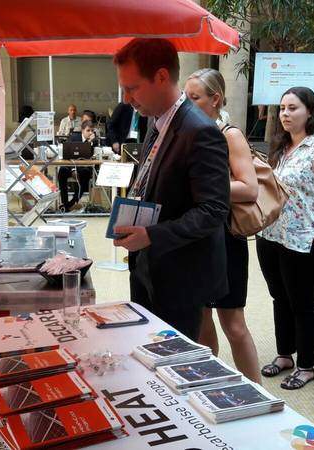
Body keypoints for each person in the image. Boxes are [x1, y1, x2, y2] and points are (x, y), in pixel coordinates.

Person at [111, 38, 230, 341]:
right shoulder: (157, 121)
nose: (126, 99)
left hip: (180, 276)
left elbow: (213, 210)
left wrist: (151, 235)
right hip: (148, 265)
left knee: (172, 357)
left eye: (133, 88)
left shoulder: (200, 130)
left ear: (162, 77)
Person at [257, 87, 314, 389]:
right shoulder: (281, 147)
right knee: (279, 297)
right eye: (282, 108)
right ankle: (285, 355)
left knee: (303, 302)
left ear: (310, 112)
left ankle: (306, 365)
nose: (285, 114)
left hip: (304, 239)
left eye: (293, 108)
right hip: (272, 235)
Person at [184, 68, 261, 383]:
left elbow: (250, 188)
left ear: (215, 99)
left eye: (194, 98)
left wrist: (201, 187)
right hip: (198, 235)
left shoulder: (230, 134)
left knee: (233, 324)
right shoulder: (193, 132)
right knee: (202, 321)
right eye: (185, 97)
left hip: (226, 237)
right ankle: (210, 385)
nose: (187, 104)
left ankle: (258, 392)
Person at [57, 120, 95, 212]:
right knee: (62, 170)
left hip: (83, 167)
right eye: (88, 130)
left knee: (86, 173)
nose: (90, 133)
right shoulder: (74, 138)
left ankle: (72, 202)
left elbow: (91, 156)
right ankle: (64, 202)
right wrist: (73, 170)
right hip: (71, 165)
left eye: (92, 131)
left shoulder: (94, 140)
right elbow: (67, 154)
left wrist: (90, 142)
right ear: (82, 130)